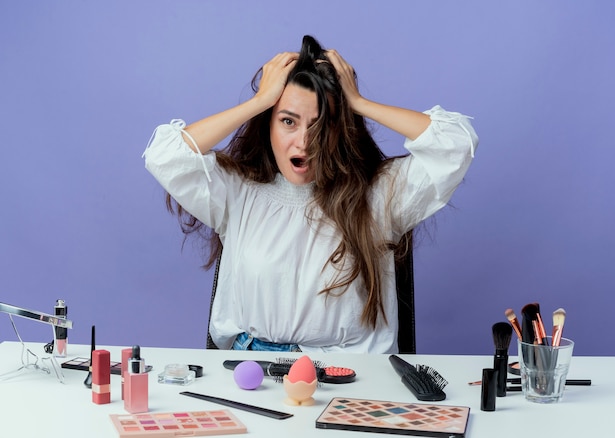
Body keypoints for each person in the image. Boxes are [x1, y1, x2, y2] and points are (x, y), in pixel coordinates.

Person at [143, 35, 478, 354]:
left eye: (322, 125)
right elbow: (165, 155)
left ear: (342, 130)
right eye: (288, 122)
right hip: (250, 370)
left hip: (348, 374)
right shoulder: (237, 191)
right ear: (268, 125)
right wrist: (260, 101)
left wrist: (358, 103)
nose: (304, 142)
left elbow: (456, 144)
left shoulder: (381, 194)